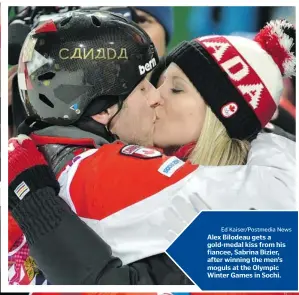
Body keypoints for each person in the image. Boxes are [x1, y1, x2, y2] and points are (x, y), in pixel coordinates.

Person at [8, 16, 296, 285]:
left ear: (219, 117)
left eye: (176, 89)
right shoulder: (106, 169)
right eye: (152, 84)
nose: (156, 96)